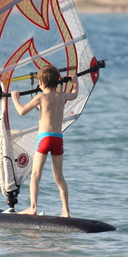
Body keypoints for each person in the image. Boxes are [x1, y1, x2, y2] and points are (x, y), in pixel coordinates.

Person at [11, 65, 78, 217]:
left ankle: (33, 207)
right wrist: (75, 82)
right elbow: (74, 94)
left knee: (35, 174)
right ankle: (66, 211)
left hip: (44, 138)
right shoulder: (62, 95)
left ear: (40, 82)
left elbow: (21, 111)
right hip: (58, 139)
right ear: (58, 82)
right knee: (59, 177)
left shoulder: (40, 97)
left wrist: (15, 98)